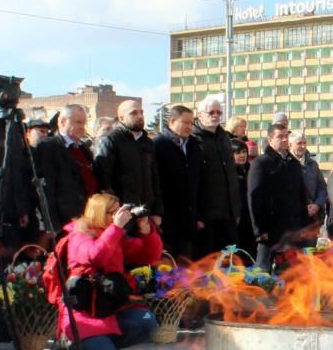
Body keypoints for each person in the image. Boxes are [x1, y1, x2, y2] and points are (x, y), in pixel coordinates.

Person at [57, 193, 160, 350]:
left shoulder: (114, 235)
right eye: (113, 212)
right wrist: (116, 227)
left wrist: (147, 232)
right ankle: (68, 342)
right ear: (99, 213)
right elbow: (96, 257)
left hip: (108, 309)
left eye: (120, 211)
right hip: (84, 315)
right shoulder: (79, 235)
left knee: (147, 322)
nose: (118, 216)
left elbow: (149, 256)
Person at [247, 123, 308, 269]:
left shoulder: (293, 163)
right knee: (263, 271)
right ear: (270, 140)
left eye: (286, 136)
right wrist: (259, 230)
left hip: (292, 228)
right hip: (270, 229)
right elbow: (254, 198)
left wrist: (304, 225)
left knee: (291, 272)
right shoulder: (261, 163)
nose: (285, 140)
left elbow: (301, 196)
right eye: (280, 136)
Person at [191, 96, 242, 258]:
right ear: (200, 115)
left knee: (229, 261)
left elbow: (232, 175)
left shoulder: (225, 138)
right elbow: (193, 181)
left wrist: (236, 210)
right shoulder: (193, 139)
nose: (215, 116)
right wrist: (197, 215)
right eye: (211, 112)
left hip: (227, 213)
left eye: (219, 112)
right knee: (207, 262)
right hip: (205, 215)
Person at [94, 99, 160, 224]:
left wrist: (157, 211)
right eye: (134, 113)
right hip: (122, 215)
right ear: (122, 118)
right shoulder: (111, 140)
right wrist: (115, 210)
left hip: (146, 213)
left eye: (141, 112)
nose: (140, 116)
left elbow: (154, 179)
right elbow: (103, 180)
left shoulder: (147, 142)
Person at [32, 104, 96, 230]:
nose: (82, 127)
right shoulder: (48, 147)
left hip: (87, 217)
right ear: (62, 122)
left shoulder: (83, 148)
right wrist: (51, 225)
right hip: (65, 221)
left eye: (84, 122)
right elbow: (46, 189)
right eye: (78, 122)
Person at [153, 104, 201, 258]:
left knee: (186, 267)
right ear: (172, 121)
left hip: (189, 219)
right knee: (167, 266)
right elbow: (155, 181)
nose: (189, 127)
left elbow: (199, 182)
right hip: (167, 218)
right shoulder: (158, 145)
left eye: (191, 123)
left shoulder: (194, 145)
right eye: (185, 123)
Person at [292, 132, 327, 241]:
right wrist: (303, 207)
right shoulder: (285, 164)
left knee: (310, 251)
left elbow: (322, 187)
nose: (302, 146)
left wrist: (317, 204)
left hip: (312, 217)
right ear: (290, 145)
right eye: (299, 143)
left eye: (304, 143)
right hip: (294, 218)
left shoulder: (312, 164)